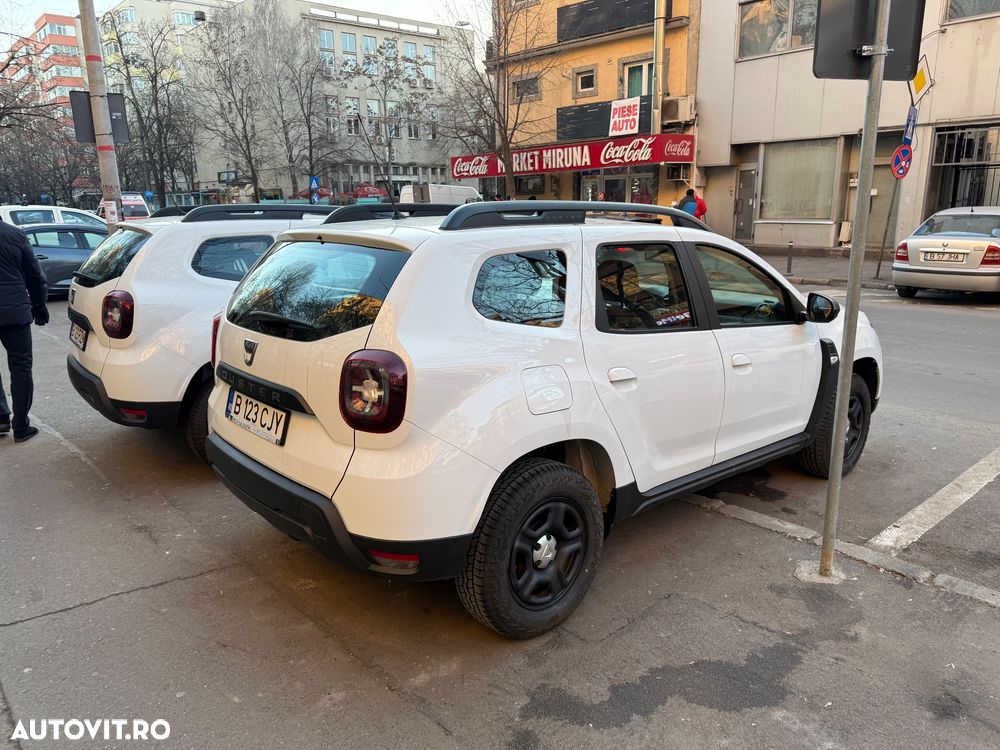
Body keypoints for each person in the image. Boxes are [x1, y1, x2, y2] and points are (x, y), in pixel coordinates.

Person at [0, 217, 48, 443]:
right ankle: (21, 425)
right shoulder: (15, 234)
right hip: (15, 314)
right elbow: (34, 275)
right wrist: (39, 306)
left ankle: (0, 416)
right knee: (21, 367)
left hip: (14, 311)